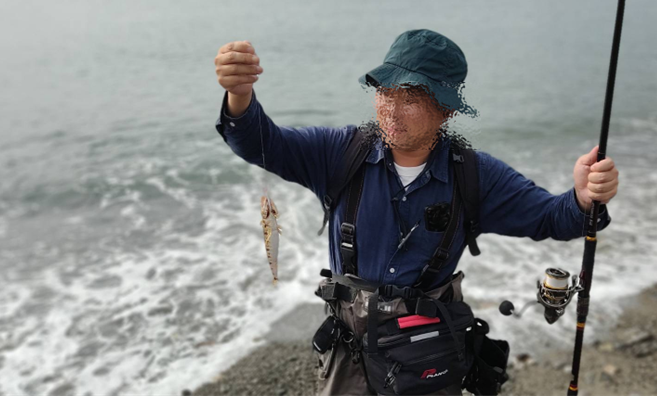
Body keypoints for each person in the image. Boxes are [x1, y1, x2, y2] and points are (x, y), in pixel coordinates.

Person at [214, 29, 619, 396]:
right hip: (349, 347)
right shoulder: (339, 153)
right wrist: (240, 95)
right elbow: (261, 142)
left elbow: (552, 217)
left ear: (446, 110)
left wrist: (584, 198)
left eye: (410, 97)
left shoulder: (475, 175)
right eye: (385, 91)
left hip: (427, 351)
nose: (391, 108)